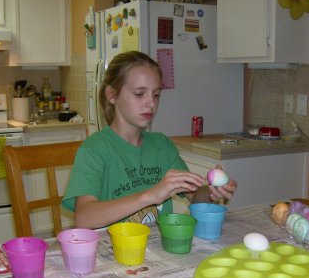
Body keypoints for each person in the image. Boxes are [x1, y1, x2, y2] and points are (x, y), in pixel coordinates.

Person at [62, 51, 237, 229]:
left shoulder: (162, 145)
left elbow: (195, 197)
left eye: (156, 94)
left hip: (159, 248)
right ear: (112, 95)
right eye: (139, 94)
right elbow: (83, 219)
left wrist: (212, 193)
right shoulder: (95, 149)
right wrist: (151, 195)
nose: (151, 104)